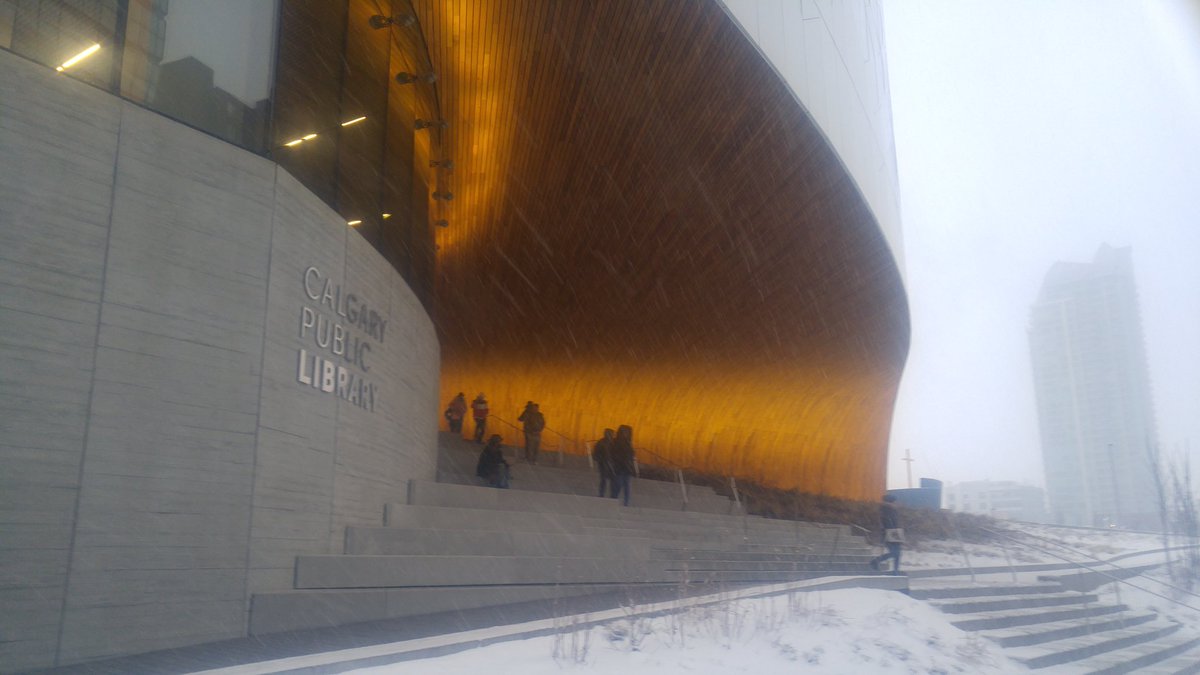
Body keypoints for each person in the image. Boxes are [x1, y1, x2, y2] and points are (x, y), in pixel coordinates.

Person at [870, 494, 904, 574]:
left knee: (897, 553)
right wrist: (891, 532)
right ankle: (876, 561)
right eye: (895, 501)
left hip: (894, 532)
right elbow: (887, 522)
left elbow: (894, 522)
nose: (896, 502)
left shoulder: (891, 509)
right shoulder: (887, 509)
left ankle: (895, 571)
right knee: (896, 553)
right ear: (891, 501)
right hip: (891, 532)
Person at [609, 425, 636, 506]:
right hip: (619, 467)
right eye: (624, 431)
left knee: (627, 486)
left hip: (626, 468)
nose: (625, 434)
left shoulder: (628, 443)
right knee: (618, 484)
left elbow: (631, 456)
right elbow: (613, 454)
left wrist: (631, 466)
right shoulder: (616, 442)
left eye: (627, 432)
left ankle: (626, 502)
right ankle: (614, 499)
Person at [591, 428, 616, 497]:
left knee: (610, 480)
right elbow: (596, 453)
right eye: (611, 434)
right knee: (604, 479)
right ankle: (602, 494)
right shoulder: (602, 442)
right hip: (604, 463)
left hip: (610, 464)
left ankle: (611, 494)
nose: (612, 435)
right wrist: (601, 459)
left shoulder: (613, 443)